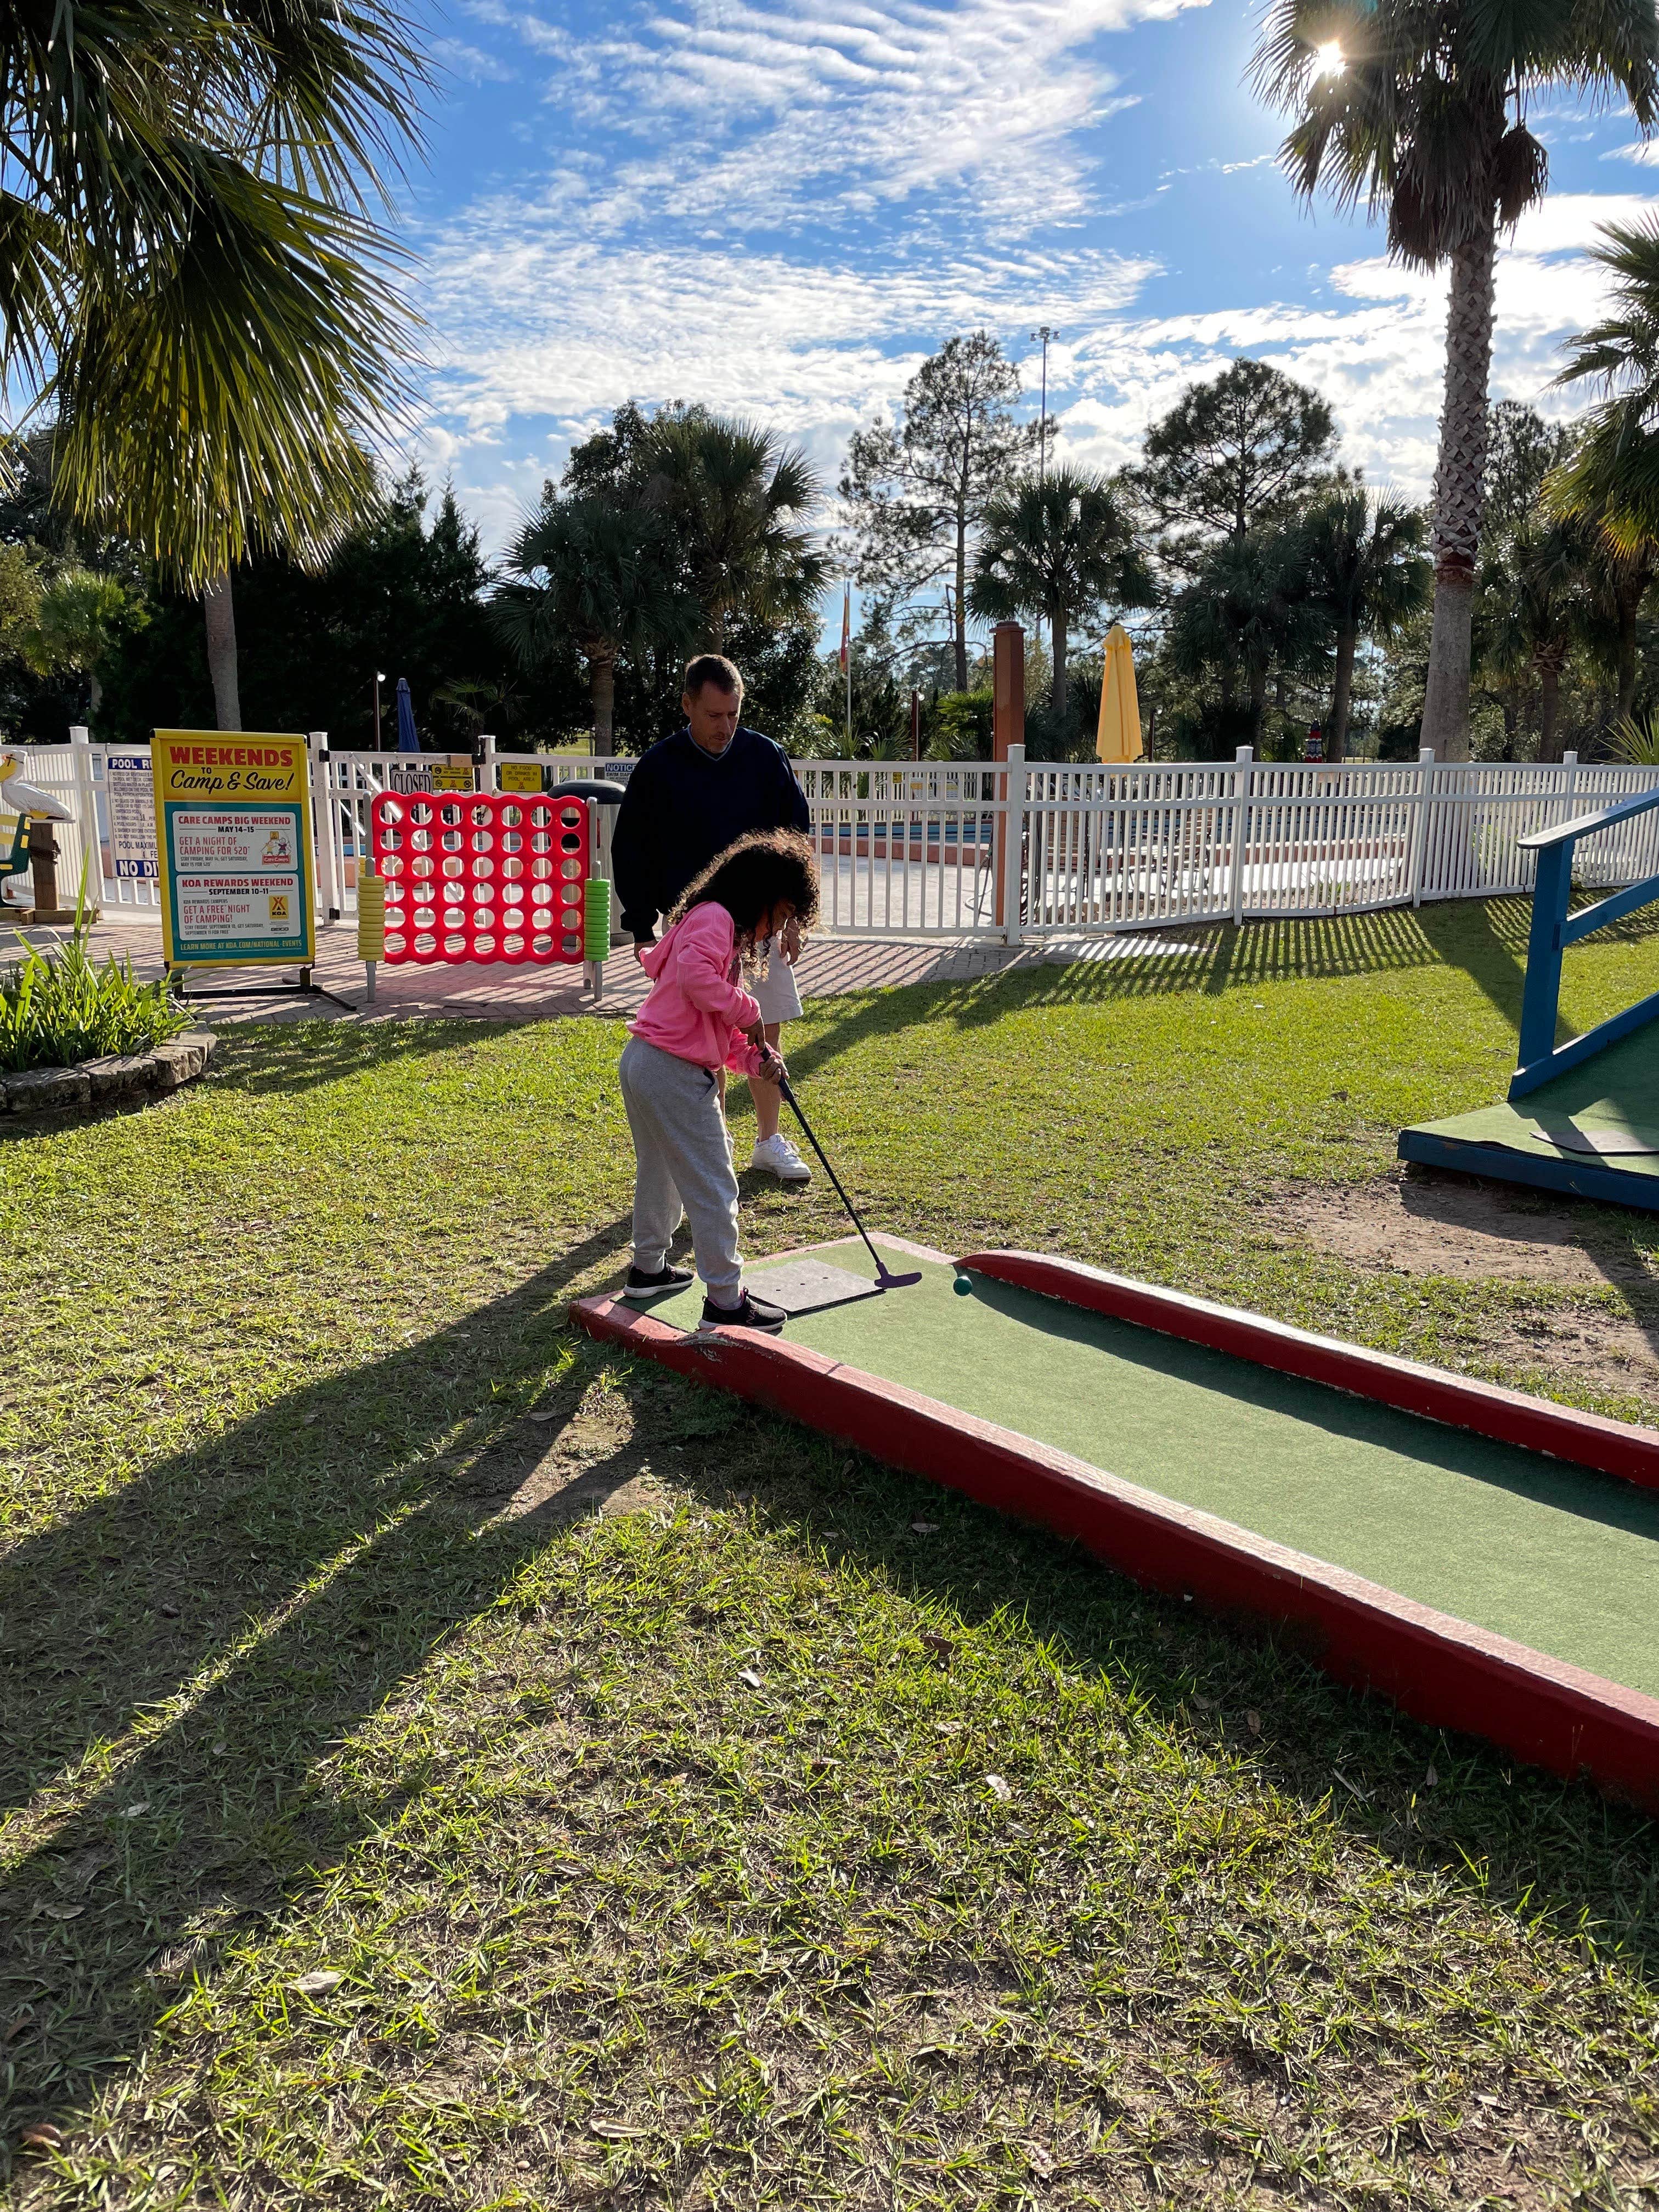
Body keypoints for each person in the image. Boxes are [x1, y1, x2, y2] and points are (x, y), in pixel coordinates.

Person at [612, 653, 814, 1184]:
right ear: (687, 705)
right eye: (714, 715)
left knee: (766, 1025)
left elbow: (797, 835)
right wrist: (641, 927)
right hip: (695, 927)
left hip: (763, 923)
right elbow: (631, 850)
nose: (725, 727)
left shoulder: (765, 756)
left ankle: (768, 1141)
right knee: (704, 1039)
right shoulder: (659, 766)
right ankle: (714, 1140)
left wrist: (792, 918)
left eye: (733, 714)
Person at [618, 830, 821, 1335]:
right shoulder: (715, 919)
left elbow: (716, 1029)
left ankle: (648, 1270)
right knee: (714, 1184)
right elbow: (697, 982)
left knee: (661, 1172)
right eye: (781, 916)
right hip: (671, 1072)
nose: (777, 930)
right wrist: (751, 1011)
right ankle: (726, 1302)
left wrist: (757, 1059)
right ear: (761, 896)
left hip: (647, 1062)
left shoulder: (716, 928)